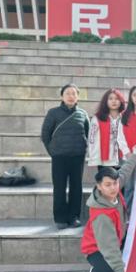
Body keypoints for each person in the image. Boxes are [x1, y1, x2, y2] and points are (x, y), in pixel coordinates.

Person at [41, 83, 91, 229]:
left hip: (77, 156)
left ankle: (74, 217)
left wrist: (83, 148)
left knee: (76, 187)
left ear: (78, 97)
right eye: (68, 93)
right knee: (59, 187)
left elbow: (88, 133)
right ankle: (60, 218)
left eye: (74, 93)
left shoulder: (83, 114)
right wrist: (52, 151)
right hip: (59, 157)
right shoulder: (53, 113)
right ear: (62, 96)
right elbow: (45, 134)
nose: (71, 96)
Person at [83, 164, 136, 272]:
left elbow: (124, 173)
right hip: (96, 248)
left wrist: (135, 156)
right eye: (108, 185)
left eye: (115, 183)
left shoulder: (114, 191)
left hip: (118, 237)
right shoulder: (101, 215)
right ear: (99, 186)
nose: (113, 188)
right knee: (110, 266)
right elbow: (109, 246)